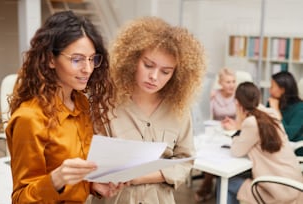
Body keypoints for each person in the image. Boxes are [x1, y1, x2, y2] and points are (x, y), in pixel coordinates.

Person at [5, 11, 121, 203]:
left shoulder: (81, 103)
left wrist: (92, 185)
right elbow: (21, 199)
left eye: (92, 59)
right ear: (51, 59)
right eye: (77, 59)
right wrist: (56, 179)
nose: (88, 69)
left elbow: (74, 177)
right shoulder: (30, 118)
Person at [91, 16, 207, 204]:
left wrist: (140, 177)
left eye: (165, 71)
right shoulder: (106, 104)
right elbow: (91, 161)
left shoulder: (179, 111)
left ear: (176, 75)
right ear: (132, 59)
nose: (154, 76)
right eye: (148, 65)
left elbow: (186, 160)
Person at [217, 82, 303, 204]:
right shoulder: (271, 114)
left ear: (237, 102)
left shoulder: (251, 123)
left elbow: (236, 151)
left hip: (279, 190)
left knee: (226, 182)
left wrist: (235, 130)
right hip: (295, 185)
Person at [195, 67, 237, 202]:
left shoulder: (239, 96)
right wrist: (207, 98)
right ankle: (211, 185)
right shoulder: (214, 95)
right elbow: (206, 115)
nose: (231, 85)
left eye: (233, 81)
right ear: (220, 83)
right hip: (216, 131)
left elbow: (243, 118)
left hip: (233, 132)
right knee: (210, 155)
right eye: (228, 82)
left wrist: (233, 124)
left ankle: (207, 186)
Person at [267, 71, 303, 156]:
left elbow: (288, 135)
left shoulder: (300, 108)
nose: (269, 89)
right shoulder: (273, 102)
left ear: (282, 90)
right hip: (274, 144)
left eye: (272, 86)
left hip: (294, 149)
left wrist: (276, 111)